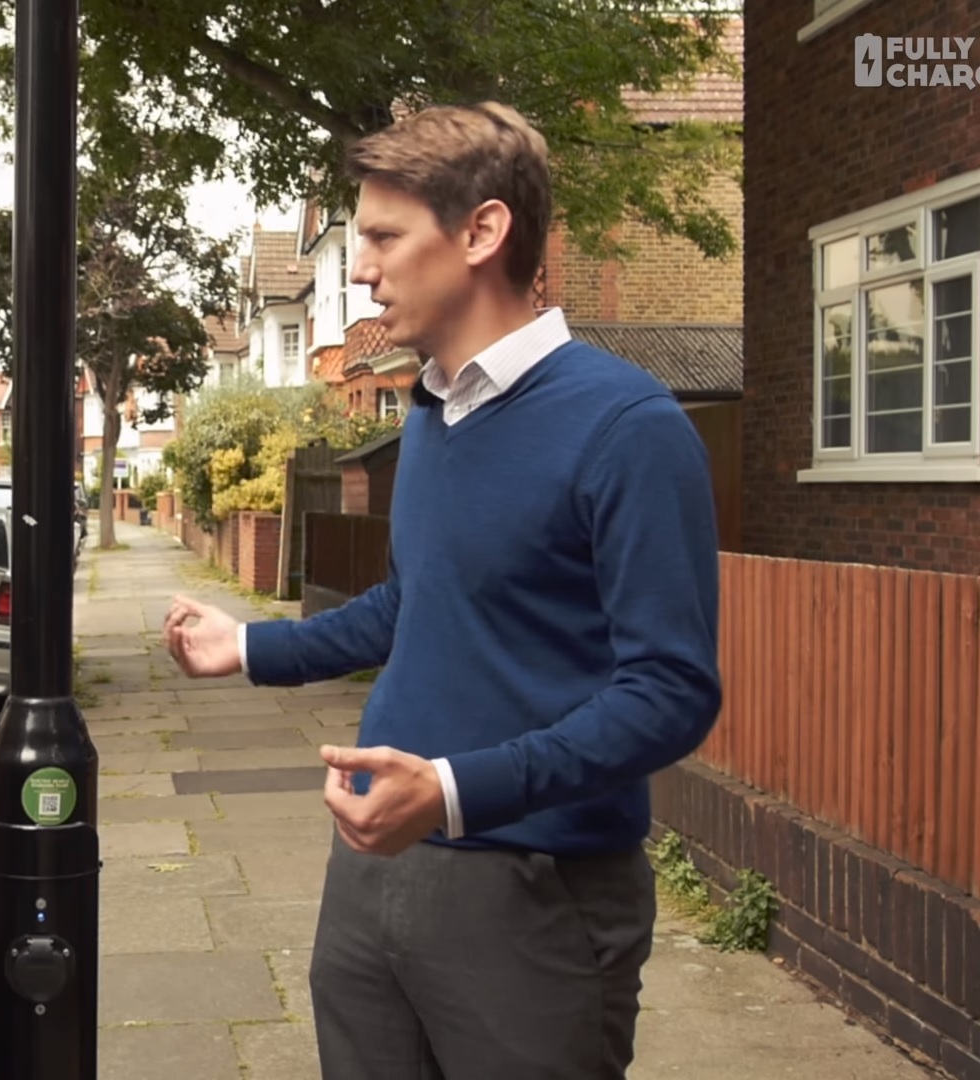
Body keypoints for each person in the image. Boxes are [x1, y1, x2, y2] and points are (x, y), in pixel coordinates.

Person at [162, 102, 723, 1079]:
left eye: (382, 237)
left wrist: (458, 792)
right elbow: (412, 602)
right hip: (376, 866)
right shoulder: (431, 412)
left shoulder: (627, 426)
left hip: (537, 895)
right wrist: (249, 647)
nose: (365, 268)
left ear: (482, 231)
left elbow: (671, 691)